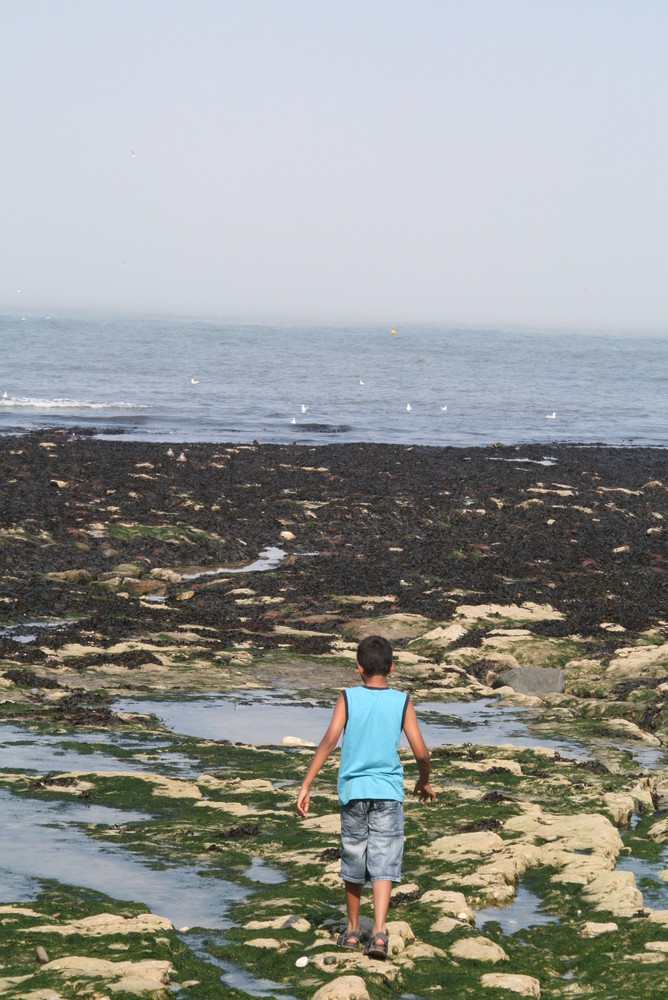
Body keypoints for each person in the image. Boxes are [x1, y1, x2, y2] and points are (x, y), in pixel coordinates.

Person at [296, 634, 436, 960]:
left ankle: (351, 931)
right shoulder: (402, 701)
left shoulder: (348, 698)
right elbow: (422, 753)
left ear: (359, 668)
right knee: (384, 861)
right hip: (388, 793)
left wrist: (307, 784)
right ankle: (380, 934)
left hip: (353, 792)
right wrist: (424, 781)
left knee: (354, 858)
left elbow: (329, 741)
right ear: (392, 666)